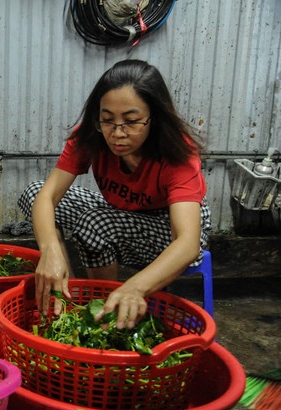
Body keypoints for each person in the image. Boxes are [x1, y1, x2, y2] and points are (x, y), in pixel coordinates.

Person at [18, 59, 211, 330]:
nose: (117, 134)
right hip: (123, 214)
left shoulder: (176, 151)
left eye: (131, 122)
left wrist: (134, 288)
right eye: (107, 120)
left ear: (154, 118)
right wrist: (50, 251)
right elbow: (47, 197)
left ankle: (107, 312)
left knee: (95, 224)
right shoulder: (91, 136)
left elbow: (187, 242)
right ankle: (68, 298)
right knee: (34, 192)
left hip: (171, 226)